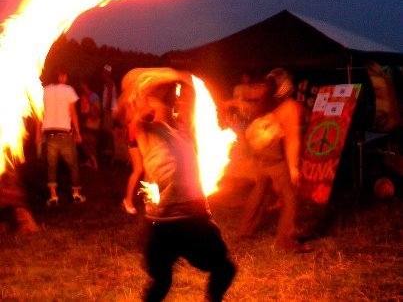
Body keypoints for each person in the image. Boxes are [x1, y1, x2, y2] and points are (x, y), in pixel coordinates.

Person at [117, 67, 236, 302]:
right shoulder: (145, 127)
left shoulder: (180, 128)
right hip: (164, 222)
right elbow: (122, 110)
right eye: (171, 95)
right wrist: (168, 77)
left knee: (224, 268)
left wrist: (178, 82)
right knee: (162, 281)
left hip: (195, 216)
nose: (177, 98)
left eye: (176, 95)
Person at [238, 68, 312, 253]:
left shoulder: (266, 105)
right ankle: (285, 241)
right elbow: (292, 139)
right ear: (287, 87)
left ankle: (245, 231)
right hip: (274, 158)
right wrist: (293, 167)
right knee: (290, 196)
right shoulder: (289, 107)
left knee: (259, 190)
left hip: (261, 156)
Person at [37, 65, 86, 205]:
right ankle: (76, 194)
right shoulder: (68, 90)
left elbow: (39, 114)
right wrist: (77, 131)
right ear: (60, 76)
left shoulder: (44, 91)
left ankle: (53, 197)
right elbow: (73, 113)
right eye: (65, 75)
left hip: (49, 134)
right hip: (64, 133)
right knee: (73, 165)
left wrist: (37, 134)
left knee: (51, 166)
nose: (66, 78)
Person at [78, 79, 101, 171]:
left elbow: (97, 110)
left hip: (92, 123)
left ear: (86, 85)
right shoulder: (85, 96)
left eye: (82, 84)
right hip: (87, 122)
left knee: (89, 143)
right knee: (85, 142)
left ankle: (94, 163)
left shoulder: (93, 96)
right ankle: (90, 161)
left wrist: (92, 116)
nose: (81, 86)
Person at [101, 64, 118, 162]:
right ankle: (109, 151)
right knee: (107, 130)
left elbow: (110, 95)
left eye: (103, 72)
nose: (102, 74)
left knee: (108, 131)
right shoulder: (109, 83)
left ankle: (111, 151)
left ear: (107, 73)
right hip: (110, 109)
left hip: (110, 110)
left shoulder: (109, 83)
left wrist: (107, 108)